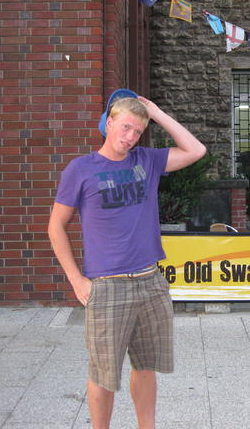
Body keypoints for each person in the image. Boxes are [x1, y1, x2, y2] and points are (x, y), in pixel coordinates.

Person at [48, 93, 206, 429]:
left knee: (146, 367)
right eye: (125, 127)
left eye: (137, 131)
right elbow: (55, 226)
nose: (130, 136)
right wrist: (76, 280)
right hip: (107, 285)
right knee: (103, 373)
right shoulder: (81, 169)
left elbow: (196, 150)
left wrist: (156, 113)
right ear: (109, 123)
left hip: (150, 281)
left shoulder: (146, 160)